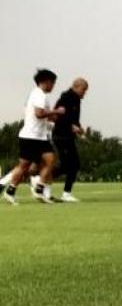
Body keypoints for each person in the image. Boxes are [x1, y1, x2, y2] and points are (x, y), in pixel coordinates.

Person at [2, 69, 65, 205]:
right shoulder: (38, 94)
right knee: (24, 166)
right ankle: (10, 191)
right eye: (53, 83)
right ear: (45, 82)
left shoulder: (41, 95)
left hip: (40, 137)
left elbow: (43, 115)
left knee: (50, 160)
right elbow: (39, 114)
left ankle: (39, 188)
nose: (53, 86)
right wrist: (56, 111)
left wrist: (54, 117)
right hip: (30, 137)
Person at [49, 78, 89, 203]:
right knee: (73, 164)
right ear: (76, 86)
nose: (85, 93)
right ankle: (65, 193)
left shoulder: (76, 100)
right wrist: (72, 126)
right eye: (84, 89)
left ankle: (42, 180)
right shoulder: (66, 97)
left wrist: (79, 128)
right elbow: (56, 117)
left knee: (68, 165)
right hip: (61, 136)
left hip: (67, 136)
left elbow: (73, 119)